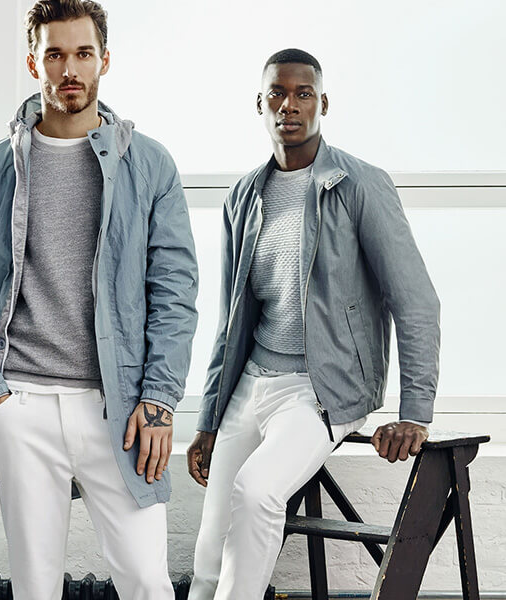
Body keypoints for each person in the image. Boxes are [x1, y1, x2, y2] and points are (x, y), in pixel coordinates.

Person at [0, 1, 198, 598]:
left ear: (105, 60)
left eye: (83, 53)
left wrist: (159, 400)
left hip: (119, 405)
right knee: (35, 588)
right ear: (34, 63)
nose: (70, 69)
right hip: (21, 402)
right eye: (55, 54)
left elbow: (175, 292)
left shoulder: (148, 164)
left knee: (147, 582)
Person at [186, 48, 440, 600]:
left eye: (303, 94)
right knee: (209, 551)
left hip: (322, 388)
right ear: (260, 104)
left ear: (323, 104)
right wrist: (208, 418)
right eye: (277, 93)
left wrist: (415, 412)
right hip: (252, 382)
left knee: (258, 492)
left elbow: (416, 302)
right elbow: (231, 320)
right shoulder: (243, 196)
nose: (290, 105)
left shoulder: (360, 184)